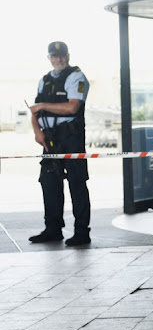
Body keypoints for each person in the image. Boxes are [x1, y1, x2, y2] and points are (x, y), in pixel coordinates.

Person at [28, 41, 92, 246]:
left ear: (68, 55)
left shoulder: (76, 77)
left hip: (70, 137)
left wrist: (42, 106)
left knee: (77, 183)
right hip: (50, 138)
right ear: (49, 58)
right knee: (49, 183)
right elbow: (34, 111)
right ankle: (53, 229)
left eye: (62, 55)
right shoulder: (44, 80)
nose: (59, 59)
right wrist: (38, 132)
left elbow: (72, 108)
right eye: (54, 56)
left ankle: (82, 232)